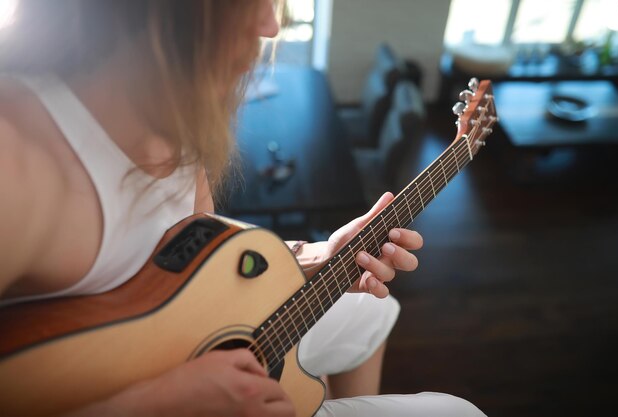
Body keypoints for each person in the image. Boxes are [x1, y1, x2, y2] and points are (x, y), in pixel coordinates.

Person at [0, 1, 486, 416]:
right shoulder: (17, 153)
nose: (270, 24)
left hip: (189, 340)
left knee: (370, 310)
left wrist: (319, 255)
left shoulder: (174, 112)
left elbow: (199, 256)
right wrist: (160, 402)